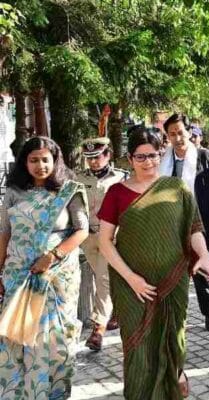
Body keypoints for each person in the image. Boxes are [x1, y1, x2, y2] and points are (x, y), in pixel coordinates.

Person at [97, 127, 209, 399]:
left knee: (175, 338)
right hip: (131, 286)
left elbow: (194, 227)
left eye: (153, 155)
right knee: (138, 349)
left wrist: (204, 256)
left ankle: (174, 384)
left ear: (161, 155)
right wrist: (132, 279)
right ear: (130, 158)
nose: (148, 162)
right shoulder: (116, 192)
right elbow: (105, 242)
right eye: (140, 157)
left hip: (173, 281)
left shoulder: (176, 188)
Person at [0, 137, 89, 399]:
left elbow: (82, 230)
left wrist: (52, 256)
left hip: (56, 276)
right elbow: (4, 232)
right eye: (34, 160)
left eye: (45, 159)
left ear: (55, 160)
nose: (40, 165)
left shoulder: (69, 190)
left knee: (54, 340)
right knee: (15, 335)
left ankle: (51, 393)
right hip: (18, 274)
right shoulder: (14, 191)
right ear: (25, 163)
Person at [159, 113, 209, 332]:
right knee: (174, 272)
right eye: (172, 134)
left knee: (200, 271)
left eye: (180, 132)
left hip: (200, 225)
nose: (177, 138)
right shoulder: (163, 161)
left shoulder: (205, 157)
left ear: (189, 132)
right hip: (171, 225)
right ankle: (175, 315)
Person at [76, 137, 128, 351]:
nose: (93, 162)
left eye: (97, 157)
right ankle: (116, 312)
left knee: (103, 279)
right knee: (103, 278)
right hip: (87, 237)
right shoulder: (78, 178)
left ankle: (98, 329)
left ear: (108, 155)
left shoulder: (121, 178)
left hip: (110, 237)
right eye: (89, 158)